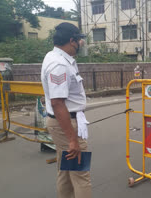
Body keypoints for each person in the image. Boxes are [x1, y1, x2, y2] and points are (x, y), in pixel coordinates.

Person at [41, 22, 91, 198]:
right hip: (66, 124)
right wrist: (72, 140)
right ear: (72, 41)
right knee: (81, 175)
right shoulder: (59, 65)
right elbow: (57, 103)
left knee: (65, 172)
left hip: (64, 121)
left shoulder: (55, 57)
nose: (81, 44)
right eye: (79, 41)